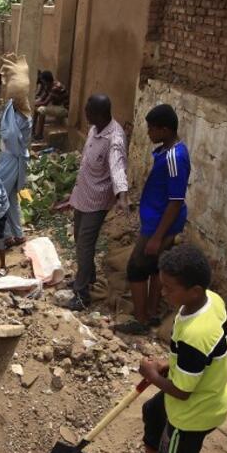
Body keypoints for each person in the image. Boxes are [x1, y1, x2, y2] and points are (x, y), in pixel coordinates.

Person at [130, 244, 227, 453]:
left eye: (169, 288)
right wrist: (167, 365)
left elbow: (183, 392)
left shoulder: (196, 334)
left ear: (194, 290)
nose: (163, 293)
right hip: (192, 388)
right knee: (152, 410)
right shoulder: (211, 300)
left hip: (194, 411)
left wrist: (151, 373)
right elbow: (198, 362)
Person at [118, 103, 190, 335]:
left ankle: (140, 319)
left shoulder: (174, 158)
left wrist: (157, 236)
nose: (148, 133)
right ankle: (151, 311)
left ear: (165, 130)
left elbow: (176, 200)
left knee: (137, 267)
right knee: (154, 267)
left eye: (151, 129)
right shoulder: (168, 152)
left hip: (159, 224)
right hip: (156, 220)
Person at [59, 94, 129, 311]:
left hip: (97, 201)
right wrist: (72, 196)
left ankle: (81, 296)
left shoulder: (114, 139)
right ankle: (88, 280)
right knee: (80, 240)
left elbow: (118, 169)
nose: (85, 115)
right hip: (82, 195)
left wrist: (122, 196)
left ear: (100, 114)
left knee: (85, 246)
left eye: (88, 112)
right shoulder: (94, 129)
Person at [0, 98, 31, 248]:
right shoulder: (10, 107)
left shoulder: (25, 120)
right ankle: (18, 234)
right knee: (10, 198)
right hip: (5, 157)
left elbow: (10, 137)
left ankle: (6, 235)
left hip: (13, 160)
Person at [32, 70, 69, 141]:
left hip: (64, 109)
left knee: (41, 109)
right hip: (57, 107)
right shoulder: (48, 85)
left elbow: (45, 103)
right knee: (36, 108)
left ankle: (39, 135)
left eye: (43, 81)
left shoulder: (56, 87)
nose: (42, 83)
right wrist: (34, 102)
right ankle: (32, 132)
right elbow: (42, 98)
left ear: (47, 81)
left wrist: (33, 103)